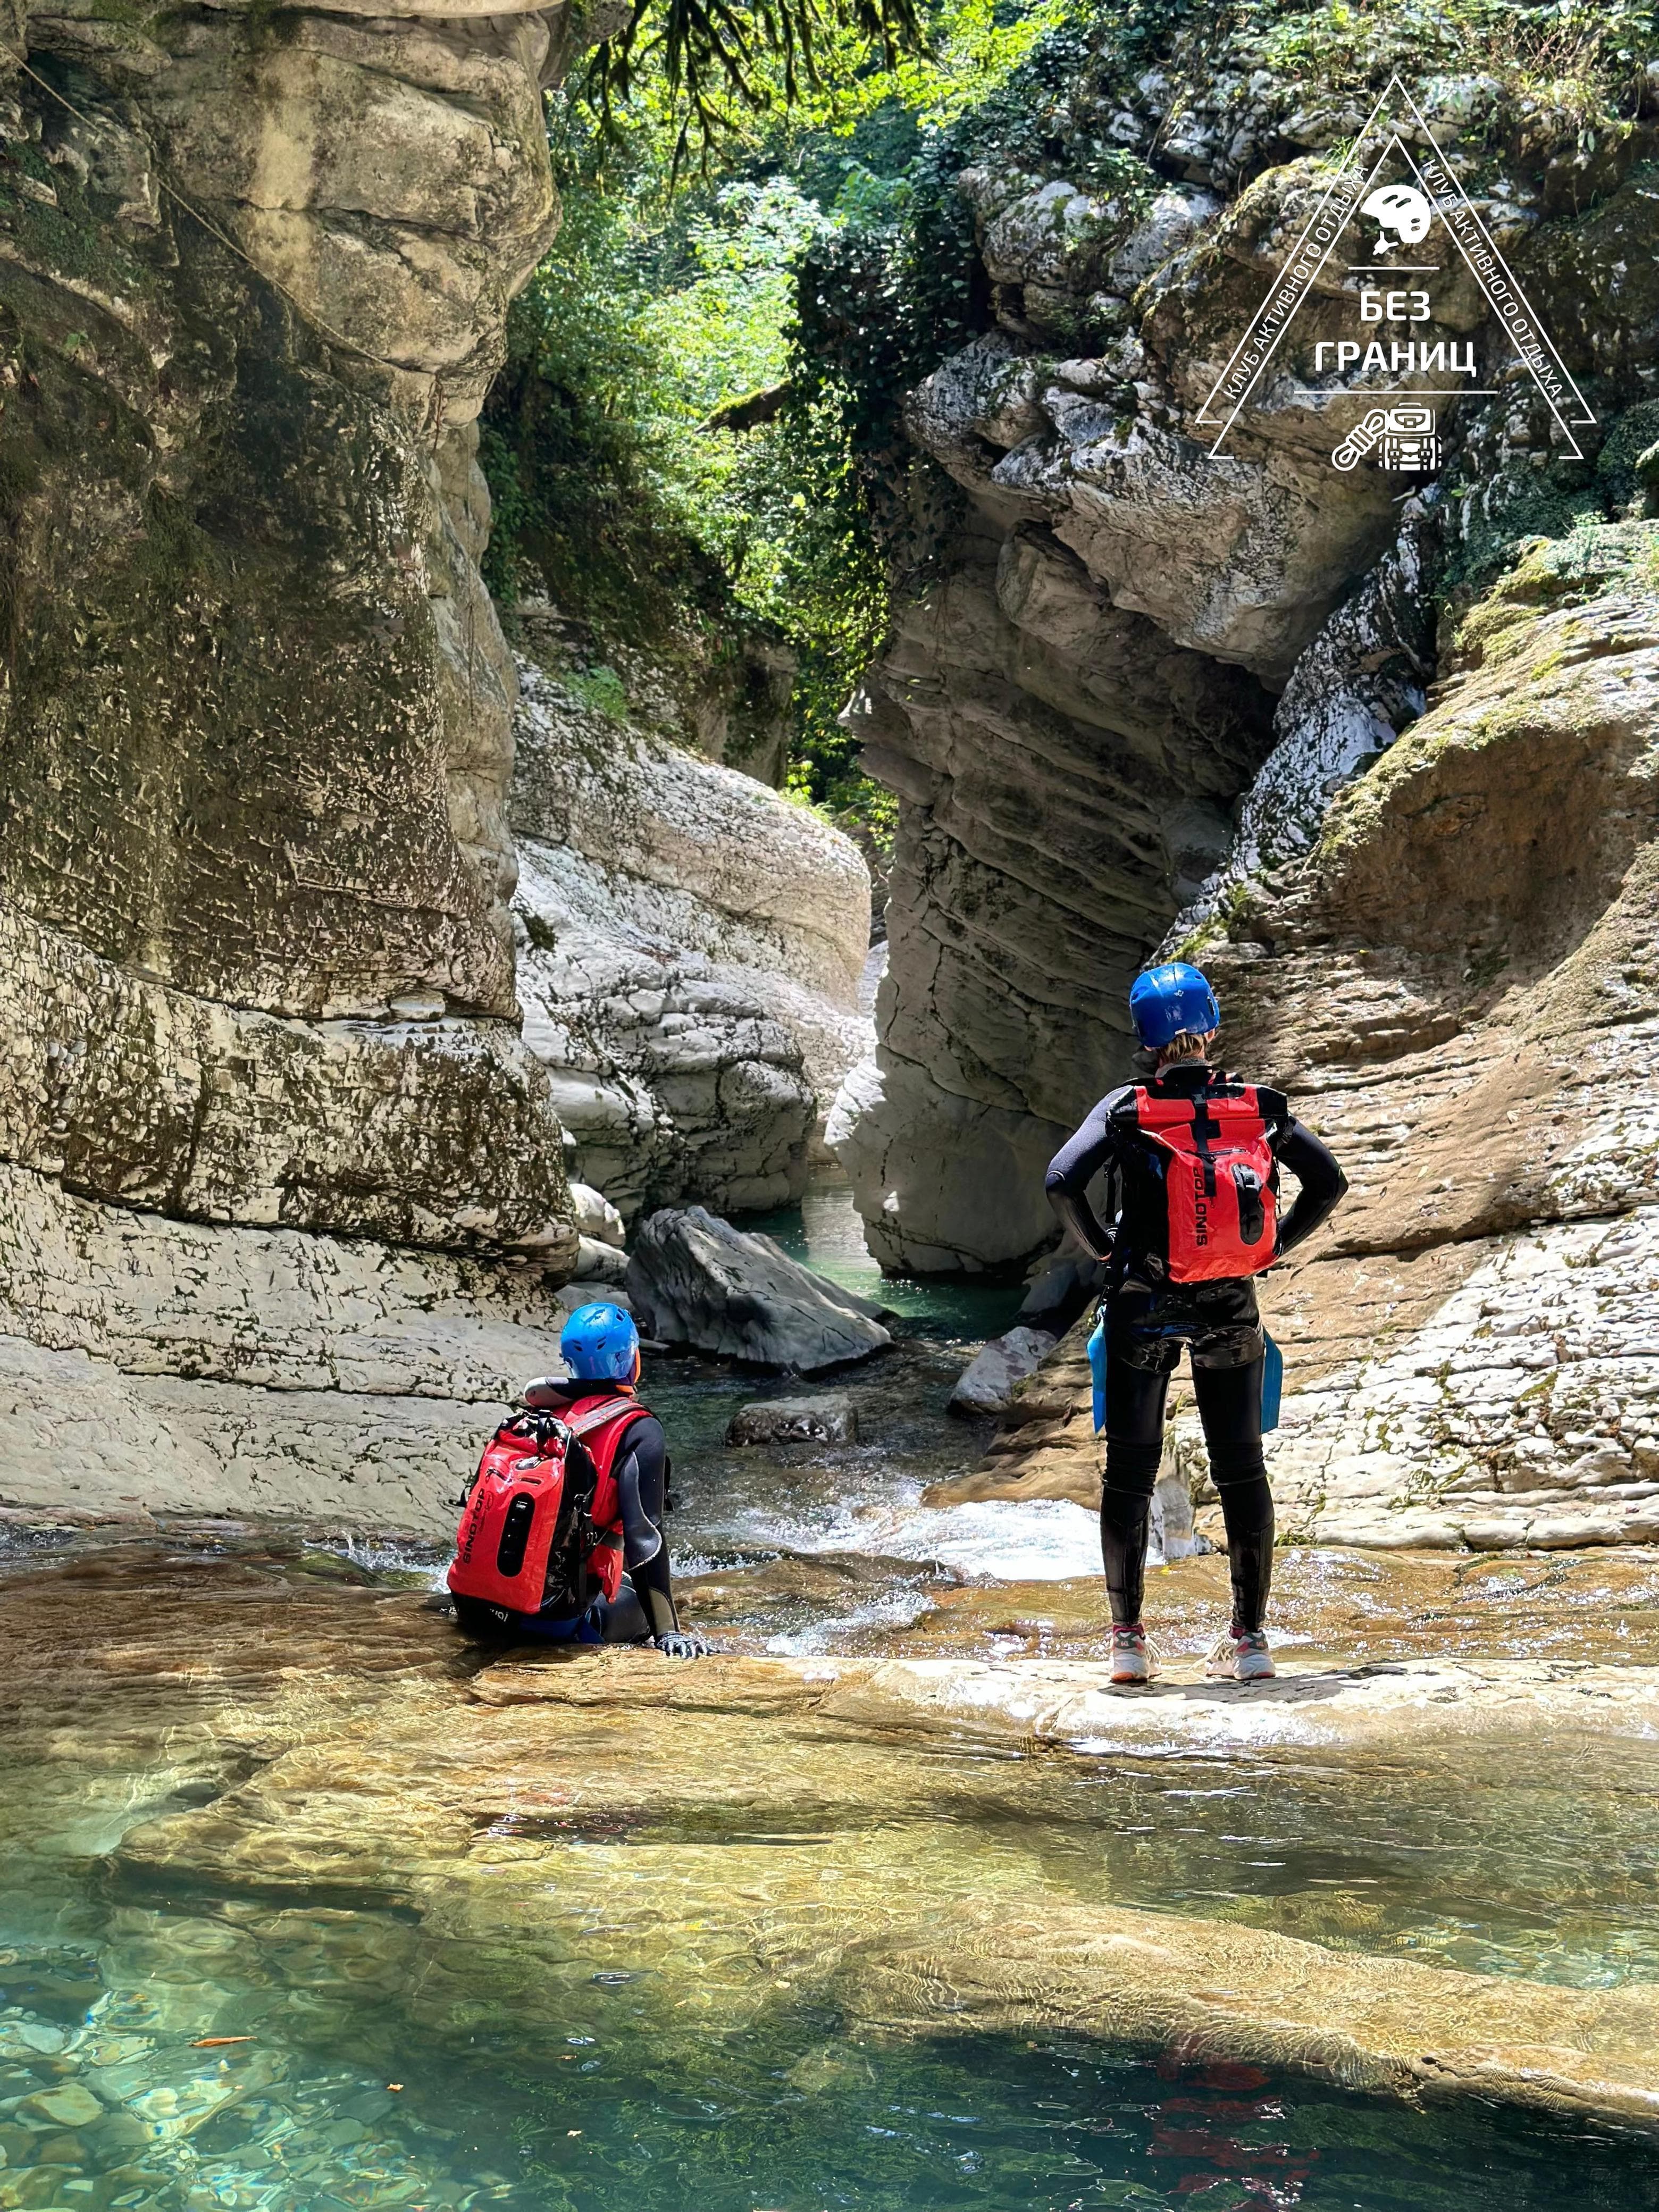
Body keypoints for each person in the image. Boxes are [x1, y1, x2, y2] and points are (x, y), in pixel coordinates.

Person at [1044, 962, 1346, 1686]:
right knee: (1242, 1470)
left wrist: (1105, 1250)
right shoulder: (1256, 1107)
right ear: (1211, 1026)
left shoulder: (1127, 1108)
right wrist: (1273, 1248)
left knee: (1130, 1473)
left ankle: (1128, 1642)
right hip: (1228, 1301)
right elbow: (1329, 1181)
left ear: (1145, 1039)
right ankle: (1249, 1642)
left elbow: (1062, 1181)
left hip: (1143, 1303)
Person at [449, 1301, 708, 1658]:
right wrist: (668, 1633)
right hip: (546, 1622)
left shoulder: (540, 1417)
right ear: (632, 1359)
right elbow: (644, 1539)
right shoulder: (638, 1429)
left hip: (473, 1608)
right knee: (636, 1602)